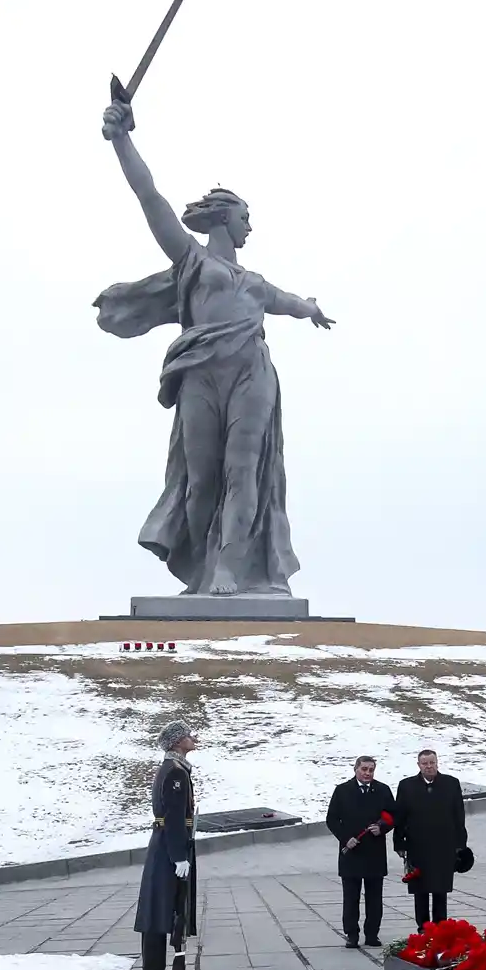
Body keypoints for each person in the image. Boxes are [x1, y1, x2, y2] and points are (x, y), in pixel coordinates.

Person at [95, 94, 335, 597]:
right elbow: (150, 199)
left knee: (244, 470)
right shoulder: (193, 262)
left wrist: (311, 308)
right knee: (201, 479)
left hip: (251, 374)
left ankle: (229, 568)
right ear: (225, 219)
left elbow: (288, 302)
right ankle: (204, 567)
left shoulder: (256, 283)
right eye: (246, 216)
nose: (251, 225)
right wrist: (122, 140)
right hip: (201, 375)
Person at [134, 720, 198, 970]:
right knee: (162, 906)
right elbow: (172, 817)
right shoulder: (175, 772)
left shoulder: (173, 768)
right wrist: (179, 857)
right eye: (187, 735)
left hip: (164, 843)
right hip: (168, 846)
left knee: (159, 906)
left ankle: (154, 969)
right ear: (176, 742)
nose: (192, 738)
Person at [394, 749, 467, 930]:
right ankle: (423, 927)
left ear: (437, 763)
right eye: (424, 763)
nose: (429, 766)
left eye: (431, 762)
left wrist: (461, 844)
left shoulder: (451, 783)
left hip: (444, 846)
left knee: (440, 889)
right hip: (417, 846)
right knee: (420, 890)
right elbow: (400, 817)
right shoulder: (406, 786)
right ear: (418, 765)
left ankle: (440, 927)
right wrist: (399, 842)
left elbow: (459, 815)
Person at [327, 756, 396, 947]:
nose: (367, 773)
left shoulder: (382, 790)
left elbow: (393, 814)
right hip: (352, 852)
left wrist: (382, 828)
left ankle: (372, 934)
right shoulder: (342, 790)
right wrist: (345, 838)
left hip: (375, 852)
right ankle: (352, 934)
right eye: (364, 769)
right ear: (355, 769)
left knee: (375, 897)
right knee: (351, 897)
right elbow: (332, 819)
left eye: (371, 770)